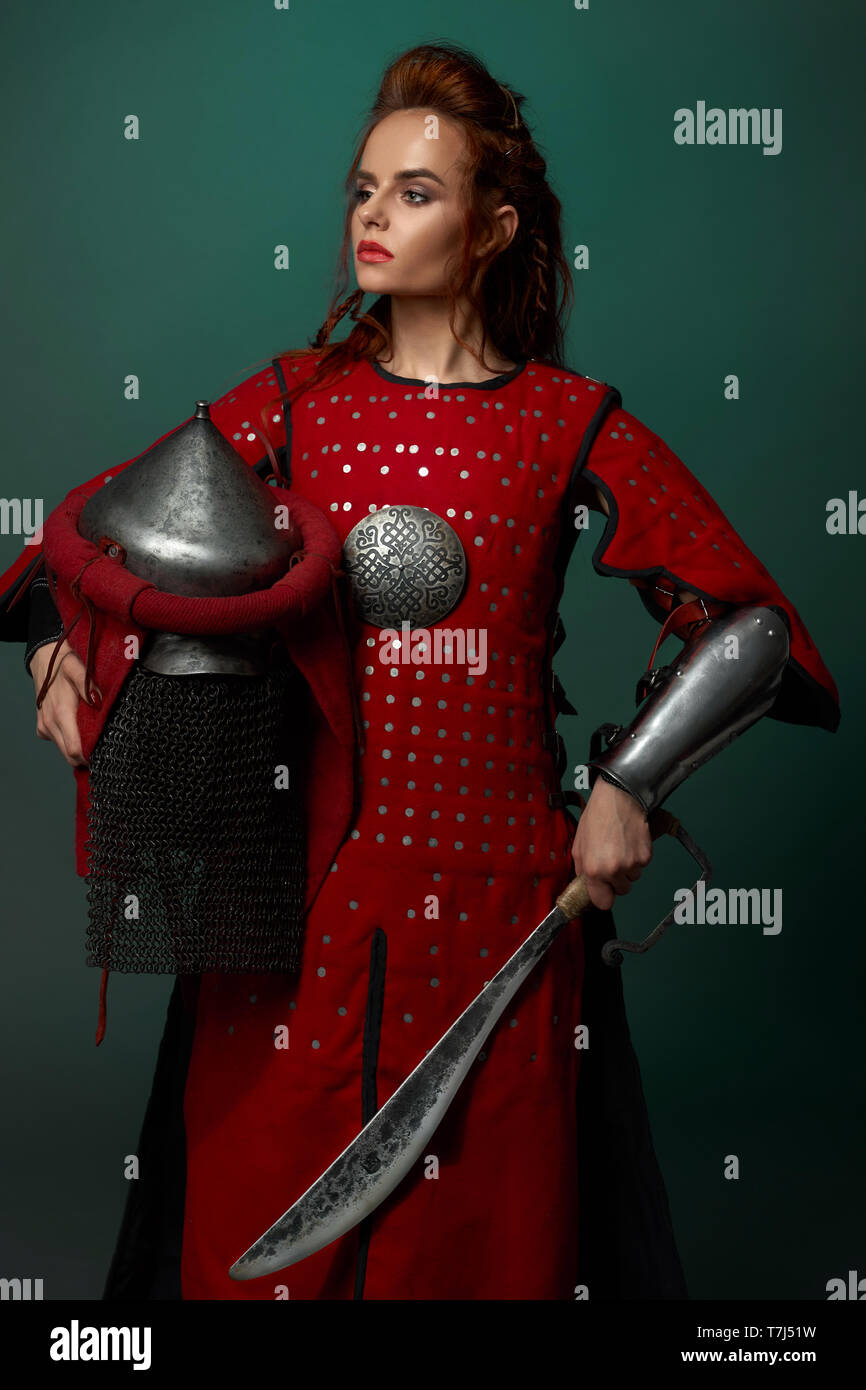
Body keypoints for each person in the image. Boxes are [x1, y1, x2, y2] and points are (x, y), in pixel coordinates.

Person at [0, 41, 839, 1301]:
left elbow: (752, 628)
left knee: (488, 1258)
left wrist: (630, 782)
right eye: (362, 190)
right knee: (246, 1258)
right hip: (288, 902)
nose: (373, 219)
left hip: (504, 907)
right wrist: (72, 636)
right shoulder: (292, 402)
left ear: (493, 224)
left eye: (416, 192)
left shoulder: (571, 420)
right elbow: (82, 537)